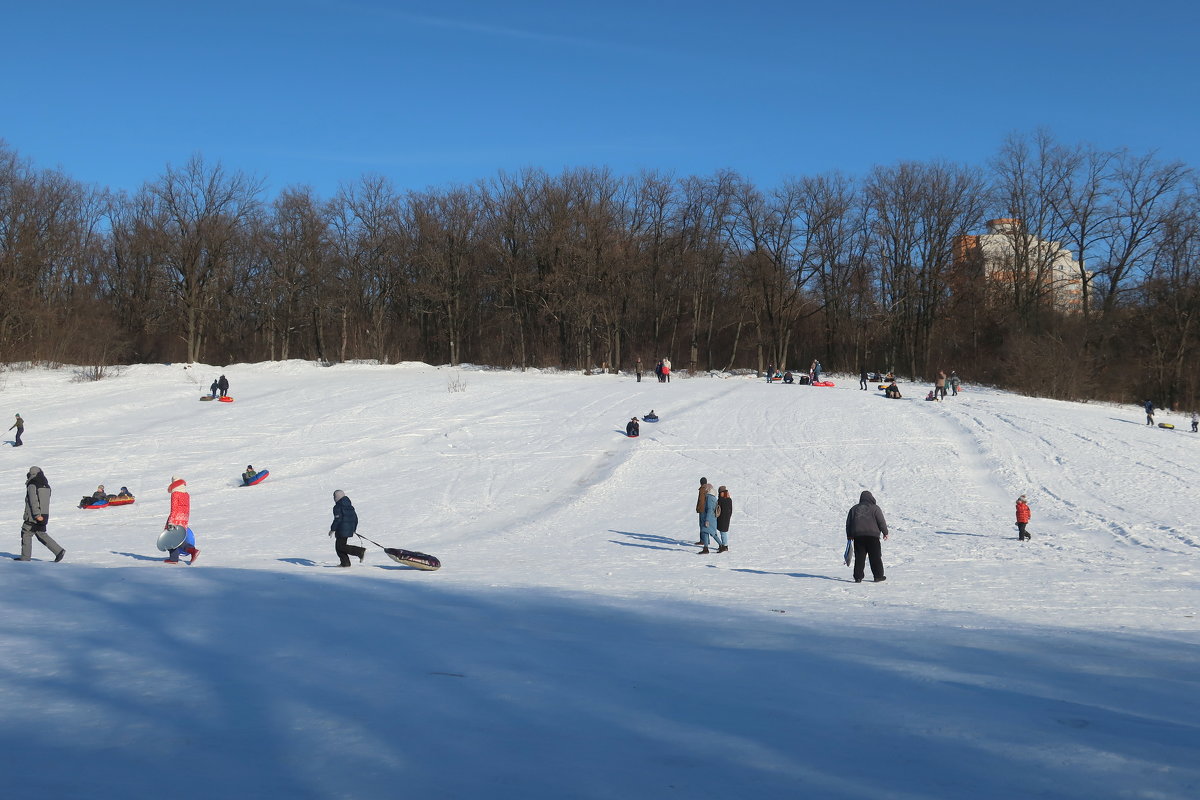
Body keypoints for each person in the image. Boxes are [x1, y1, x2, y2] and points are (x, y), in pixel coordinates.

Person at [15, 466, 64, 562]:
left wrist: (37, 515)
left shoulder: (32, 485)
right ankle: (59, 551)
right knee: (41, 533)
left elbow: (34, 501)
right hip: (44, 515)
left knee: (26, 533)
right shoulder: (46, 485)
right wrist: (42, 515)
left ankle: (25, 558)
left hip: (33, 515)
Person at [846, 490, 888, 583]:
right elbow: (881, 521)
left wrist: (849, 535)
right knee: (875, 557)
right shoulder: (875, 508)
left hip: (858, 537)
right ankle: (878, 576)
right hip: (872, 537)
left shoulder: (853, 509)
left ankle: (858, 577)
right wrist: (885, 532)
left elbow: (848, 523)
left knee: (859, 557)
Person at [163, 477, 198, 564]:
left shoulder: (175, 494)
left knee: (170, 538)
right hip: (184, 519)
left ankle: (174, 559)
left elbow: (174, 509)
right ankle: (192, 551)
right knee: (179, 539)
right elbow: (187, 510)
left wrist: (171, 522)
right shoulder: (186, 495)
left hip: (175, 519)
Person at [329, 490, 366, 567]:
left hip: (341, 529)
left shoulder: (337, 507)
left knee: (340, 546)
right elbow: (355, 518)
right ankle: (345, 563)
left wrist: (332, 529)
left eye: (334, 497)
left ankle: (359, 551)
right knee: (340, 546)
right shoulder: (350, 506)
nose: (334, 498)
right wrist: (353, 529)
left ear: (337, 497)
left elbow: (337, 519)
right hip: (348, 529)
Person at [697, 483, 718, 554]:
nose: (705, 490)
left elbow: (709, 509)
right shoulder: (714, 497)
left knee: (712, 533)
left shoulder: (709, 497)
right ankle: (705, 548)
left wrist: (707, 520)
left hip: (709, 518)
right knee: (706, 532)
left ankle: (721, 545)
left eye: (706, 489)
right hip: (712, 518)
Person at [714, 485, 732, 553]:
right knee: (724, 532)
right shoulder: (729, 499)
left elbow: (718, 509)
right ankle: (724, 545)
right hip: (727, 519)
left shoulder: (720, 500)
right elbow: (731, 510)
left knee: (723, 532)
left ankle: (725, 546)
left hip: (721, 519)